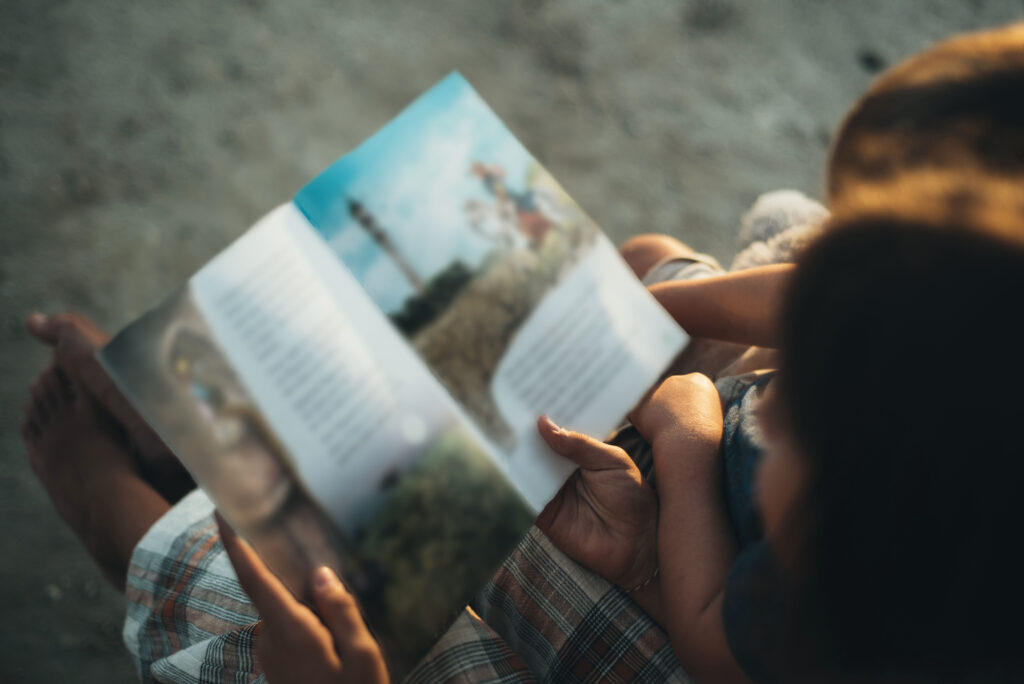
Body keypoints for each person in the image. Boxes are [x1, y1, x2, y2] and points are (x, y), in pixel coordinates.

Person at [23, 20, 1024, 683]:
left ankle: (131, 517)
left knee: (362, 590)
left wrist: (680, 457)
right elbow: (817, 294)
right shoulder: (949, 378)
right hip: (749, 504)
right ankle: (212, 448)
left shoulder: (850, 598)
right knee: (637, 268)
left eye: (806, 402)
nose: (783, 375)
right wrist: (645, 310)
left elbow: (716, 641)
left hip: (708, 608)